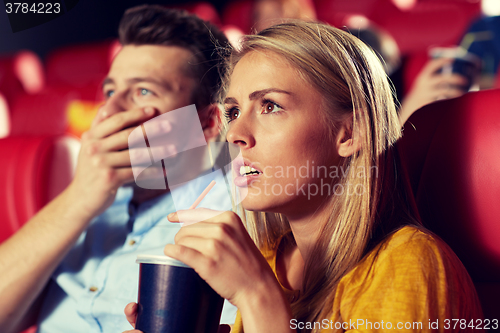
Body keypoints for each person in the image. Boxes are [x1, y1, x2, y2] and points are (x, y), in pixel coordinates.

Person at [124, 21, 483, 332]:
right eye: (233, 112)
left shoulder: (409, 263)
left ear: (349, 133)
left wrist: (258, 298)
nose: (235, 134)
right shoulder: (266, 259)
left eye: (270, 106)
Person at [0, 5, 238, 333]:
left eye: (143, 91)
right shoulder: (88, 198)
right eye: (110, 91)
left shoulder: (240, 218)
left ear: (208, 122)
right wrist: (80, 198)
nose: (110, 109)